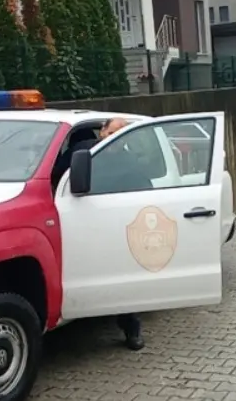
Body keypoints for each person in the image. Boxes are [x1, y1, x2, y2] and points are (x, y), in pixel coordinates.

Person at [68, 118, 149, 351]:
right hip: (82, 222)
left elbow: (144, 186)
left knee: (121, 282)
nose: (116, 138)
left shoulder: (129, 160)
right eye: (113, 131)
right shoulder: (82, 152)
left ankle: (131, 330)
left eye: (122, 134)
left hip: (115, 225)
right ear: (102, 132)